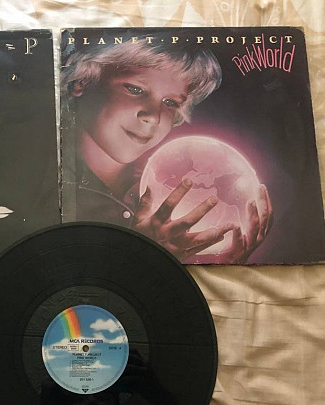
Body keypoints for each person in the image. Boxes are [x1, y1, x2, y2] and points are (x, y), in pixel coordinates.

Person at [62, 40, 273, 262]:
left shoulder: (166, 186)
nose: (154, 116)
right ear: (82, 82)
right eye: (135, 89)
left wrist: (219, 264)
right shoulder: (51, 187)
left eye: (170, 102)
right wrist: (143, 254)